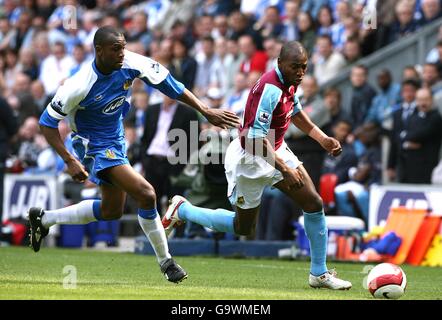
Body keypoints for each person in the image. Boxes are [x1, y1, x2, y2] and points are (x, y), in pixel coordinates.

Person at [27, 26, 240, 283]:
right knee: (146, 194)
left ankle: (45, 219)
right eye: (115, 49)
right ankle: (166, 262)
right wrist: (69, 159)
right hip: (92, 144)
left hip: (115, 138)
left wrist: (205, 110)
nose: (121, 53)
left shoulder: (131, 62)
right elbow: (46, 123)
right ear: (99, 50)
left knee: (111, 210)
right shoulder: (78, 84)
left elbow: (169, 85)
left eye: (123, 47)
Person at [163, 41, 352, 290]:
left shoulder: (288, 82)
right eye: (296, 66)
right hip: (250, 157)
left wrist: (321, 137)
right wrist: (284, 169)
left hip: (274, 147)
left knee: (313, 203)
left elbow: (294, 112)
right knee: (243, 227)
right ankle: (184, 210)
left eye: (304, 67)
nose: (301, 72)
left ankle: (319, 272)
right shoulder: (270, 89)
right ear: (280, 63)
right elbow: (253, 138)